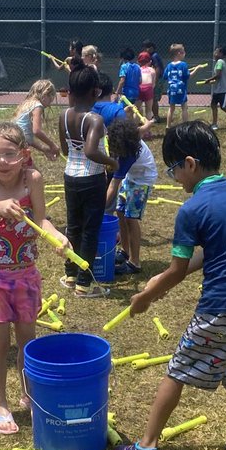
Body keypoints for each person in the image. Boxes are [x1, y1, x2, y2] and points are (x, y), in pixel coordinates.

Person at [116, 120, 226, 450]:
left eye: (174, 171)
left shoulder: (191, 210)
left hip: (220, 309)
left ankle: (145, 447)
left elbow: (174, 271)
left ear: (189, 164)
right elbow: (212, 253)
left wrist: (145, 297)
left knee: (176, 372)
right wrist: (176, 270)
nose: (175, 179)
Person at [0, 121, 69, 435]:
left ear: (25, 155)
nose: (2, 162)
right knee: (0, 345)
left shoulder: (32, 179)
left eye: (9, 154)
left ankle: (29, 393)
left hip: (26, 276)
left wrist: (57, 237)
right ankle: (0, 404)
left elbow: (42, 219)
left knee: (28, 343)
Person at [58, 66, 117, 298]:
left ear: (71, 92)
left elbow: (65, 148)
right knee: (90, 230)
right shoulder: (94, 119)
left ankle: (70, 274)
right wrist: (112, 162)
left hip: (70, 175)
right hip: (92, 179)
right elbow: (92, 151)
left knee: (73, 226)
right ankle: (84, 283)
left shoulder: (64, 116)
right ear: (95, 92)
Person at [106, 116, 158, 276]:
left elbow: (113, 186)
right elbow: (141, 130)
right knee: (120, 212)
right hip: (132, 177)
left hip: (143, 179)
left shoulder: (128, 155)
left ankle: (135, 263)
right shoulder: (130, 136)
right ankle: (125, 251)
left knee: (131, 218)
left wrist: (99, 209)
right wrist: (149, 123)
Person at [13, 80, 60, 162]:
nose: (50, 102)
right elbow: (37, 131)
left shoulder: (27, 104)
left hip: (13, 142)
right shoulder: (37, 106)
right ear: (45, 95)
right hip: (19, 147)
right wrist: (52, 145)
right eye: (51, 97)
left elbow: (26, 136)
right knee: (33, 173)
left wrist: (44, 149)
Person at [208, 46, 226, 131]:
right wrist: (212, 81)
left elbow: (218, 75)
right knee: (213, 105)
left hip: (223, 90)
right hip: (218, 89)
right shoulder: (218, 62)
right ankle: (214, 124)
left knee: (223, 107)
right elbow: (218, 78)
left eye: (216, 52)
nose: (214, 53)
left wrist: (208, 80)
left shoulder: (220, 62)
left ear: (221, 54)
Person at [162, 43, 190, 127]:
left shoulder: (169, 65)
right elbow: (187, 76)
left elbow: (165, 76)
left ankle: (168, 126)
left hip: (171, 90)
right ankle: (185, 125)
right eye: (183, 52)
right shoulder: (183, 64)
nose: (184, 53)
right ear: (179, 53)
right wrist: (196, 69)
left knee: (171, 108)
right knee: (184, 107)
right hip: (181, 89)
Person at [141, 40, 166, 122]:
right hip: (155, 79)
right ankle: (152, 115)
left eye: (145, 48)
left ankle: (156, 116)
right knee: (151, 98)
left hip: (158, 80)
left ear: (151, 48)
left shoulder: (154, 56)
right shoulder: (150, 56)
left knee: (154, 98)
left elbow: (157, 69)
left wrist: (155, 81)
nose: (144, 50)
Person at [137, 51, 157, 119]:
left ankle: (136, 126)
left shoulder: (138, 69)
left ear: (138, 62)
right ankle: (147, 126)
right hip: (148, 88)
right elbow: (153, 84)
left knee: (137, 109)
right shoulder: (152, 70)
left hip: (139, 88)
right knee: (149, 110)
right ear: (150, 61)